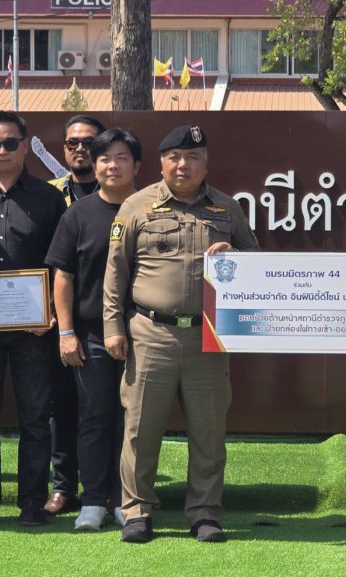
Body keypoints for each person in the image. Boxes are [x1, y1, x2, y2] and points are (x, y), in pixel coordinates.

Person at [103, 124, 258, 544]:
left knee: (208, 432)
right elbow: (115, 274)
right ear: (161, 163)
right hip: (150, 333)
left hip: (208, 337)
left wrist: (235, 256)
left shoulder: (227, 208)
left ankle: (205, 513)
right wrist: (113, 327)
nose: (182, 165)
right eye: (174, 157)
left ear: (206, 163)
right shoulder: (136, 206)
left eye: (192, 157)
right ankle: (137, 512)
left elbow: (256, 263)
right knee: (140, 429)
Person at [0, 111, 65, 527]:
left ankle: (32, 502)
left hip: (33, 327)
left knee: (35, 417)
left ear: (25, 145)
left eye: (9, 143)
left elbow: (61, 262)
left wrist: (51, 309)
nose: (1, 150)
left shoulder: (49, 198)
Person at [46, 129, 140, 530]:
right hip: (91, 336)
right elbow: (63, 276)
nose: (112, 165)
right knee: (94, 417)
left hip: (143, 334)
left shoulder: (149, 210)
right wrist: (66, 332)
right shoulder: (77, 214)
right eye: (105, 159)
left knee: (132, 421)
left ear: (137, 165)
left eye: (121, 158)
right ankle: (94, 499)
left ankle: (126, 498)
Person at [44, 114, 106, 517]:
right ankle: (64, 487)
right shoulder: (48, 195)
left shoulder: (120, 194)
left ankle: (109, 488)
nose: (80, 148)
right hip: (57, 320)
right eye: (72, 143)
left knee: (106, 409)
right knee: (62, 406)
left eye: (89, 142)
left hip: (105, 319)